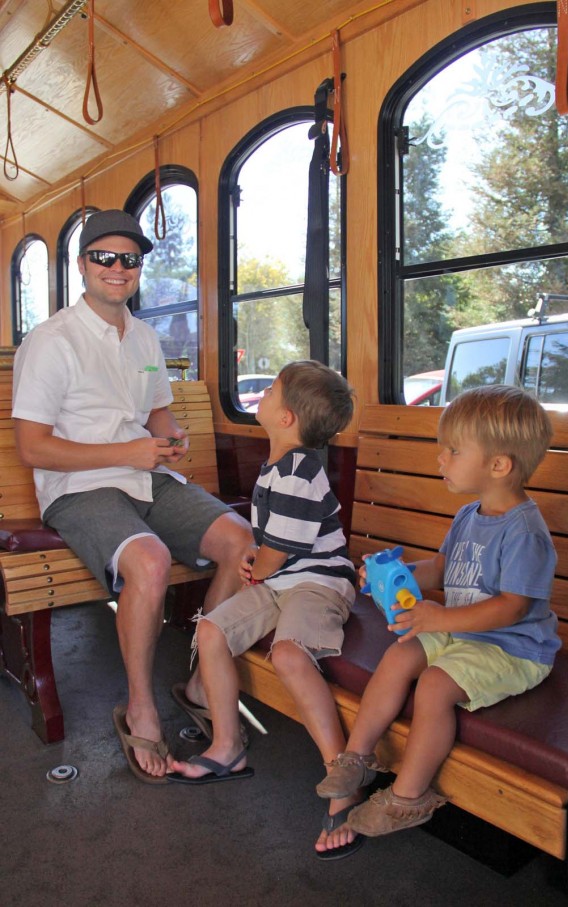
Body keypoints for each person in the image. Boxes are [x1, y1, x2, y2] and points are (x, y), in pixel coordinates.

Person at [11, 209, 253, 784]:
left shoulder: (144, 336)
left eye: (129, 260)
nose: (117, 269)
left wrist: (168, 435)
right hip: (80, 488)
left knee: (240, 541)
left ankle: (198, 678)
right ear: (82, 265)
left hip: (148, 477)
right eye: (104, 258)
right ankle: (140, 704)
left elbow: (154, 411)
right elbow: (33, 448)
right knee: (149, 561)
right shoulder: (51, 342)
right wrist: (130, 453)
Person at [314, 384, 560, 857]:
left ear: (499, 465)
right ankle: (358, 757)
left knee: (434, 685)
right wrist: (395, 575)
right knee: (400, 653)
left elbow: (513, 608)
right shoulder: (471, 514)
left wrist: (440, 617)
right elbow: (443, 568)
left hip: (512, 647)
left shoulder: (525, 531)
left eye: (452, 451)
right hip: (463, 631)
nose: (441, 459)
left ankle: (409, 797)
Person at [169, 361, 360, 858]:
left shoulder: (300, 471)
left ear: (287, 417)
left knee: (290, 656)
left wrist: (258, 565)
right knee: (211, 631)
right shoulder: (279, 465)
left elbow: (281, 550)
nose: (264, 393)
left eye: (271, 390)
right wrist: (260, 562)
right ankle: (228, 746)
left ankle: (342, 777)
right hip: (283, 578)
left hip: (319, 583)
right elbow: (274, 548)